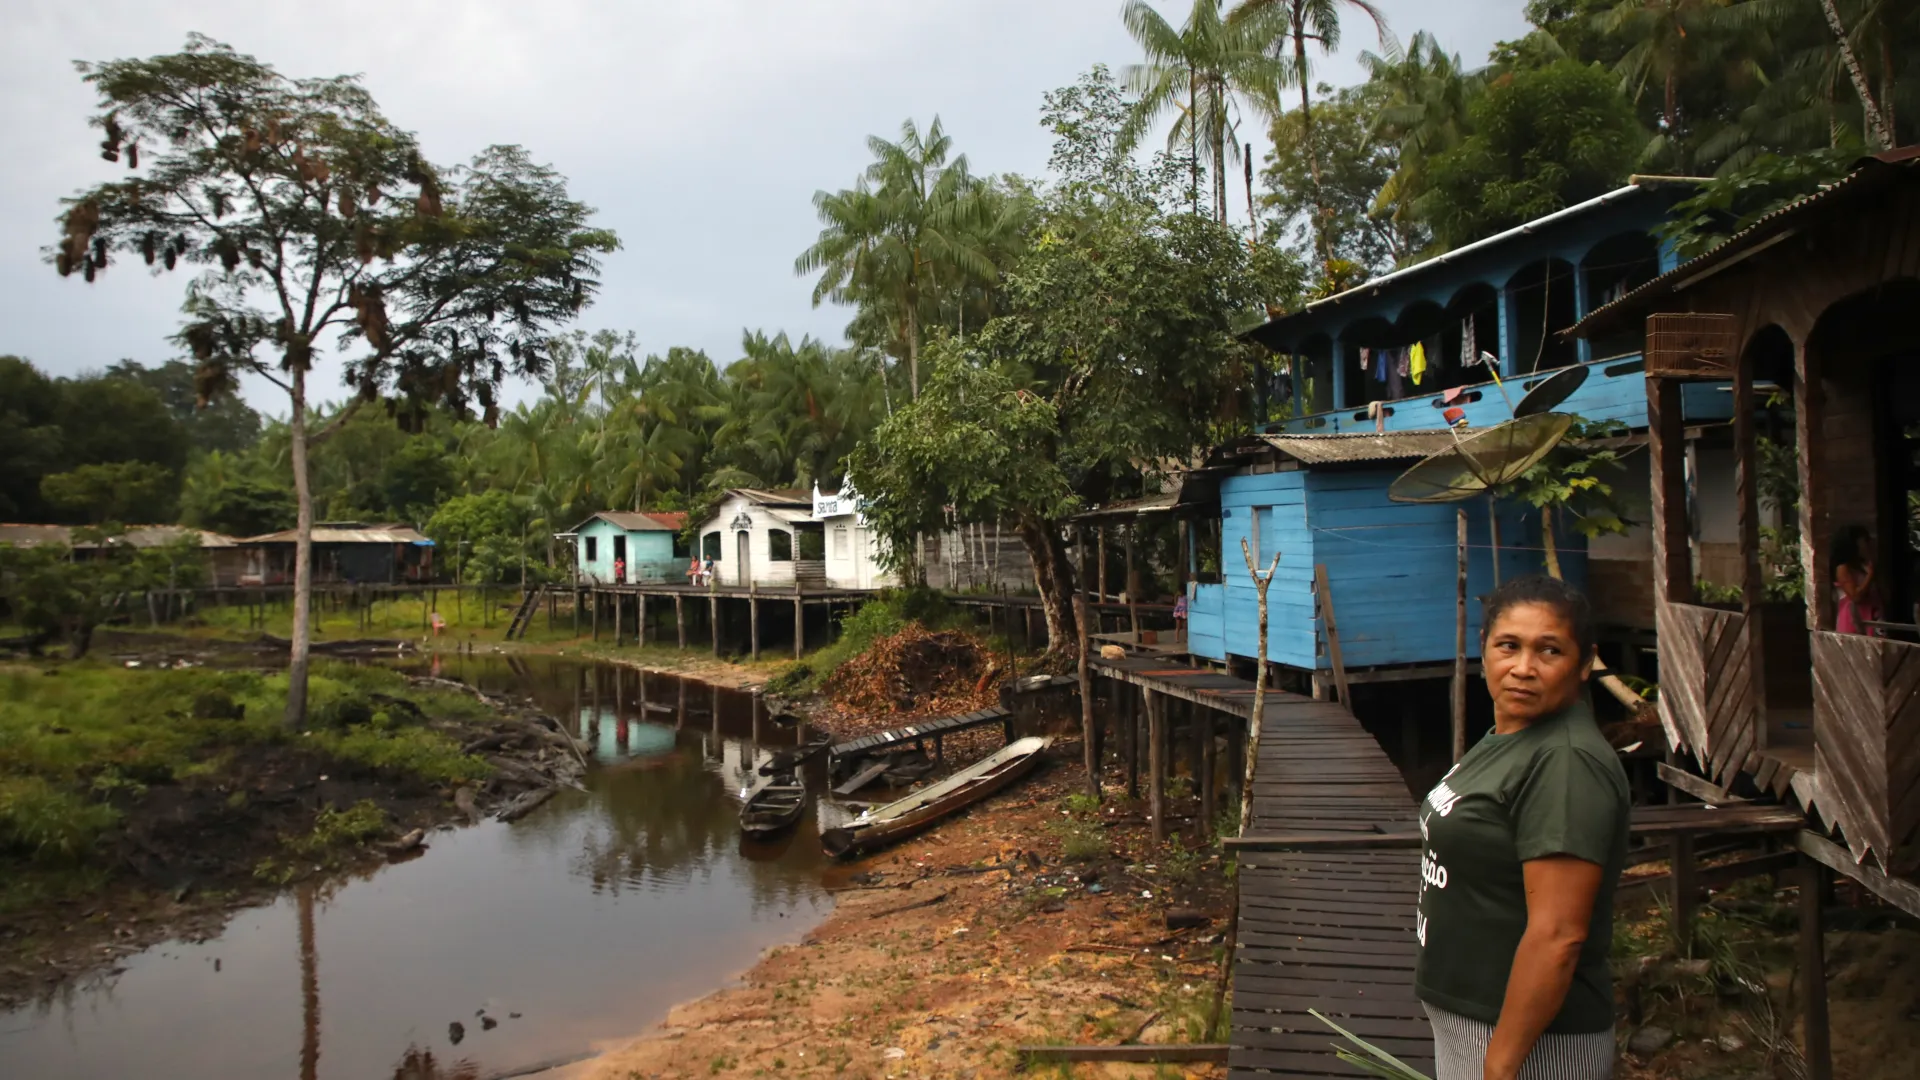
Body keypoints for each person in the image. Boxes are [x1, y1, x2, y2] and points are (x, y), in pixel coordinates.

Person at [1415, 575, 1629, 1080]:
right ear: (1484, 648)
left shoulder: (1567, 763)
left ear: (1584, 664)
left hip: (1529, 1044)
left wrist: (1500, 1064)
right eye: (1508, 645)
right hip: (1475, 1022)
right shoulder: (1511, 737)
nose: (1523, 668)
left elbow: (1559, 935)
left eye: (1549, 650)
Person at [1831, 524, 1882, 636]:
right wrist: (1870, 575)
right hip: (1854, 620)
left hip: (1872, 618)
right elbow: (1855, 596)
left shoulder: (1865, 565)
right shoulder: (1843, 569)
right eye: (1865, 541)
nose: (1869, 544)